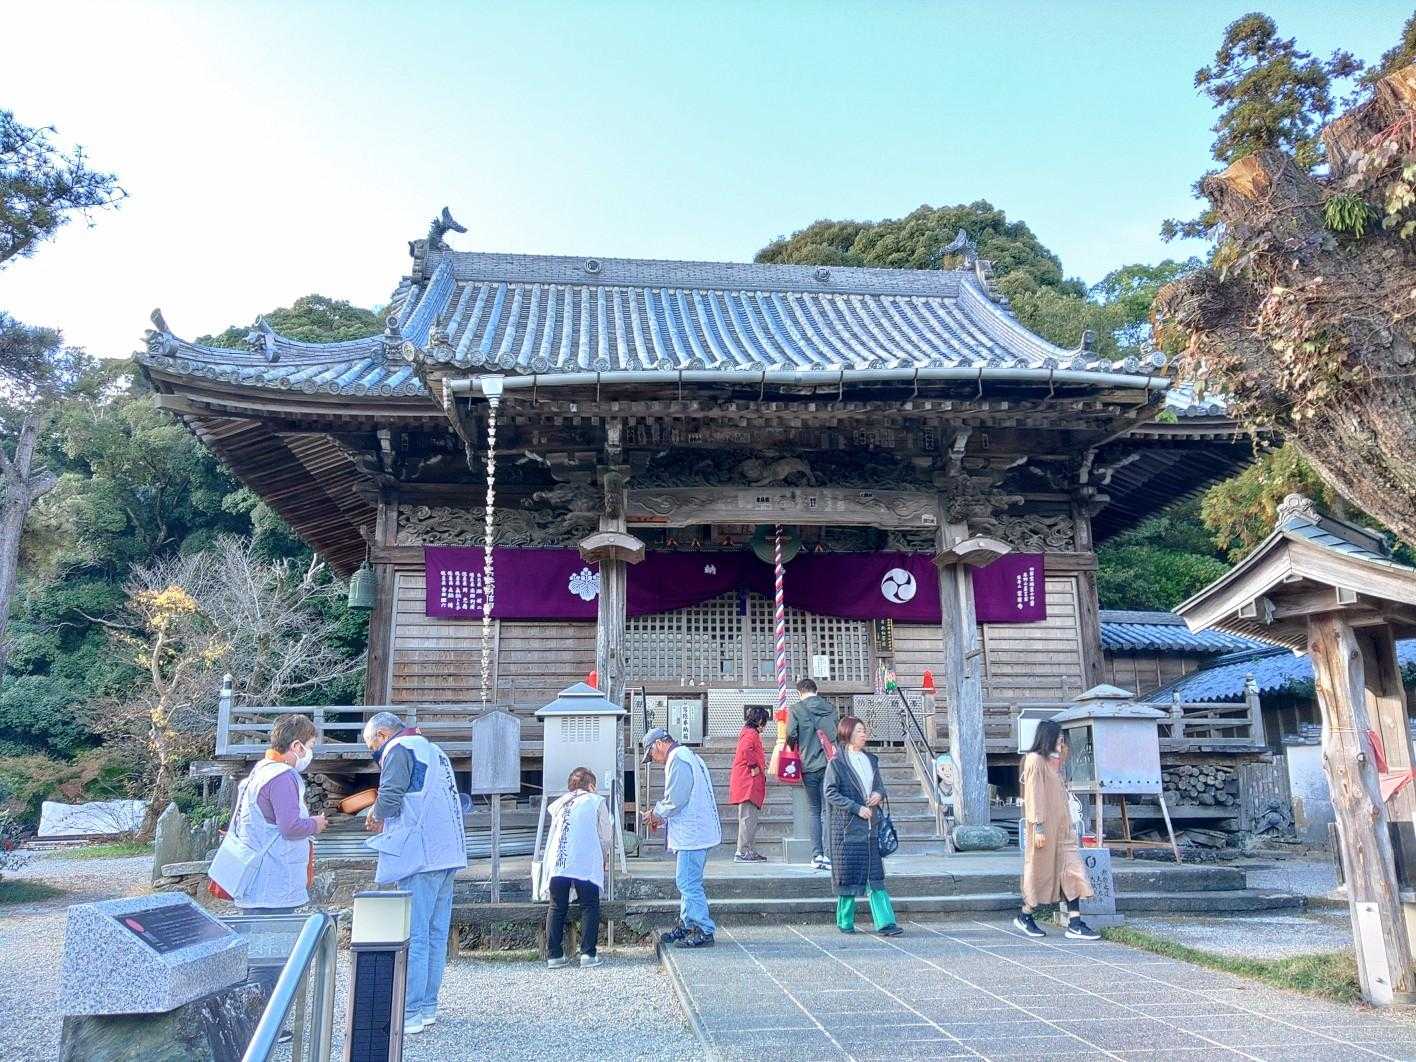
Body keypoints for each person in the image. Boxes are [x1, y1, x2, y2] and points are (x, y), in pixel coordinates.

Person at [363, 711, 469, 1034]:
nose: (374, 753)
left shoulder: (399, 750)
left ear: (383, 735)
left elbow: (390, 797)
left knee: (416, 935)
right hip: (448, 852)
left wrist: (375, 814)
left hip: (419, 854)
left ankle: (409, 1011)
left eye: (373, 746)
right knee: (436, 935)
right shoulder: (434, 751)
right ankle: (428, 1007)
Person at [209, 713, 328, 914]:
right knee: (273, 932)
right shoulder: (283, 776)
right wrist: (315, 824)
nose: (310, 753)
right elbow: (290, 827)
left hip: (255, 877)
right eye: (310, 746)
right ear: (297, 746)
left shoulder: (260, 770)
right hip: (274, 884)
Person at [1015, 720, 1100, 941]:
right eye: (1059, 737)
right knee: (1040, 871)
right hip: (1043, 828)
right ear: (1048, 737)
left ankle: (1075, 923)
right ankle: (1025, 914)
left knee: (1073, 869)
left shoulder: (1055, 762)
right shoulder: (1035, 761)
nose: (1062, 741)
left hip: (1063, 829)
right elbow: (1033, 796)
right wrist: (1038, 826)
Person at [641, 727, 721, 948]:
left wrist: (656, 814)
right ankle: (687, 924)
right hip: (696, 830)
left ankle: (703, 929)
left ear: (658, 744)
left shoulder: (678, 759)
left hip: (692, 834)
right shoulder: (689, 756)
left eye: (651, 754)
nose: (654, 760)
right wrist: (660, 817)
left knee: (688, 882)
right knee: (688, 881)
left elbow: (676, 799)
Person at [824, 716, 902, 937]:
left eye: (864, 730)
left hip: (871, 827)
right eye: (859, 731)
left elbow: (879, 786)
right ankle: (845, 921)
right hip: (848, 828)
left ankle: (886, 922)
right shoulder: (837, 763)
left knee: (876, 877)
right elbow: (830, 792)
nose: (863, 734)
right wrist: (856, 808)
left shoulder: (871, 760)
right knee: (848, 876)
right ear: (847, 733)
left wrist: (878, 794)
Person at [539, 766, 614, 970]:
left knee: (556, 905)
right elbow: (606, 835)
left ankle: (554, 955)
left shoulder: (561, 803)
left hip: (559, 860)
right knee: (589, 905)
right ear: (591, 786)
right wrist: (604, 857)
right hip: (585, 859)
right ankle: (588, 953)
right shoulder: (595, 801)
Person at [787, 678, 838, 869]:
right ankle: (830, 855)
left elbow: (791, 735)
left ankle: (817, 855)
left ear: (799, 692)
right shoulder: (830, 708)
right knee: (828, 810)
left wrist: (794, 747)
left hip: (808, 764)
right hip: (830, 765)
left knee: (814, 810)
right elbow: (836, 735)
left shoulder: (796, 709)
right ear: (816, 690)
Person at [729, 706, 770, 862]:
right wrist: (754, 766)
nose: (765, 726)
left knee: (750, 819)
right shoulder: (751, 734)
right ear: (759, 721)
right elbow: (746, 750)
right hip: (748, 782)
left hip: (747, 781)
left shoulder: (748, 733)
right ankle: (742, 851)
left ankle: (749, 850)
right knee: (747, 818)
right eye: (764, 721)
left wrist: (760, 764)